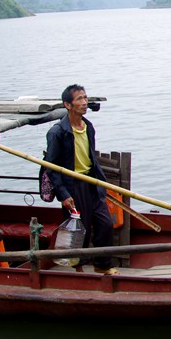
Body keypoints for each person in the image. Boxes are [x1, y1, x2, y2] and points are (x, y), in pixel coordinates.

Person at [45, 84, 116, 274]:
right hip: (72, 186)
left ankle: (102, 266)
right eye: (79, 99)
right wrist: (63, 195)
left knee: (105, 224)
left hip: (91, 183)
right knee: (80, 231)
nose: (84, 103)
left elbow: (91, 157)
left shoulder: (88, 127)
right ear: (68, 105)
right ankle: (79, 273)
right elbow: (51, 168)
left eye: (85, 98)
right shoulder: (57, 132)